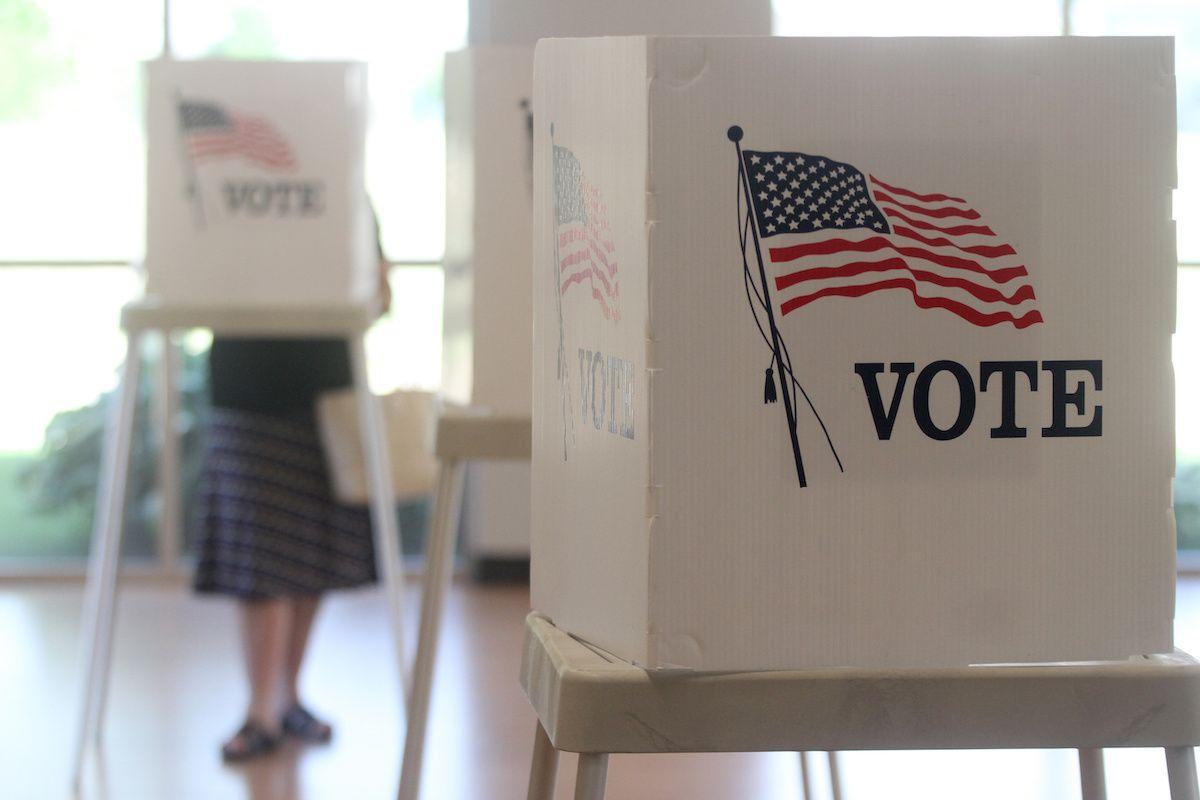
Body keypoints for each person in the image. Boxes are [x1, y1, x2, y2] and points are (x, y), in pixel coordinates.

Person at [193, 226, 392, 762]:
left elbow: (381, 295)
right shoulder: (231, 187)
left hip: (324, 390)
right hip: (248, 390)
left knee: (308, 557)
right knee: (263, 562)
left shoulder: (338, 181)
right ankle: (263, 708)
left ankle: (284, 700)